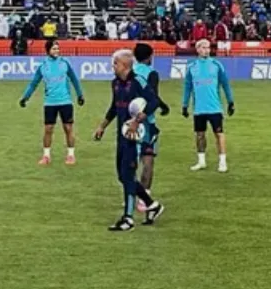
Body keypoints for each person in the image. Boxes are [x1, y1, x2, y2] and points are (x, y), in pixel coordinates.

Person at [92, 49, 164, 231]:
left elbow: (154, 101)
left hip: (136, 136)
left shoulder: (138, 82)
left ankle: (128, 219)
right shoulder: (115, 83)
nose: (112, 66)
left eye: (115, 63)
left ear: (124, 65)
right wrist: (102, 126)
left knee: (128, 174)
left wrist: (139, 119)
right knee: (122, 176)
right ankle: (152, 204)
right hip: (122, 135)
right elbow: (114, 107)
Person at [19, 39, 85, 165]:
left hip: (65, 101)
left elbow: (74, 79)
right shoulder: (43, 66)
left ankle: (71, 155)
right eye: (54, 49)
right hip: (50, 102)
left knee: (68, 128)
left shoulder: (65, 63)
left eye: (58, 48)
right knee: (48, 129)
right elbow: (34, 83)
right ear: (48, 50)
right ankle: (46, 156)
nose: (57, 51)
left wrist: (80, 95)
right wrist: (25, 98)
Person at [182, 39, 235, 172]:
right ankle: (201, 161)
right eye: (203, 47)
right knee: (200, 134)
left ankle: (222, 162)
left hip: (214, 107)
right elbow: (188, 86)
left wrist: (230, 102)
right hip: (199, 108)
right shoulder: (192, 66)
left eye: (208, 47)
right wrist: (184, 104)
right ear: (198, 49)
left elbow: (225, 84)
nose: (206, 50)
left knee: (219, 134)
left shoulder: (216, 65)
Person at [131, 43, 171, 203]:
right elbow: (153, 97)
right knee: (148, 160)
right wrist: (163, 106)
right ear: (149, 57)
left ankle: (130, 195)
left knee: (131, 160)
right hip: (147, 123)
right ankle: (144, 199)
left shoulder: (129, 72)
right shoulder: (151, 73)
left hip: (130, 122)